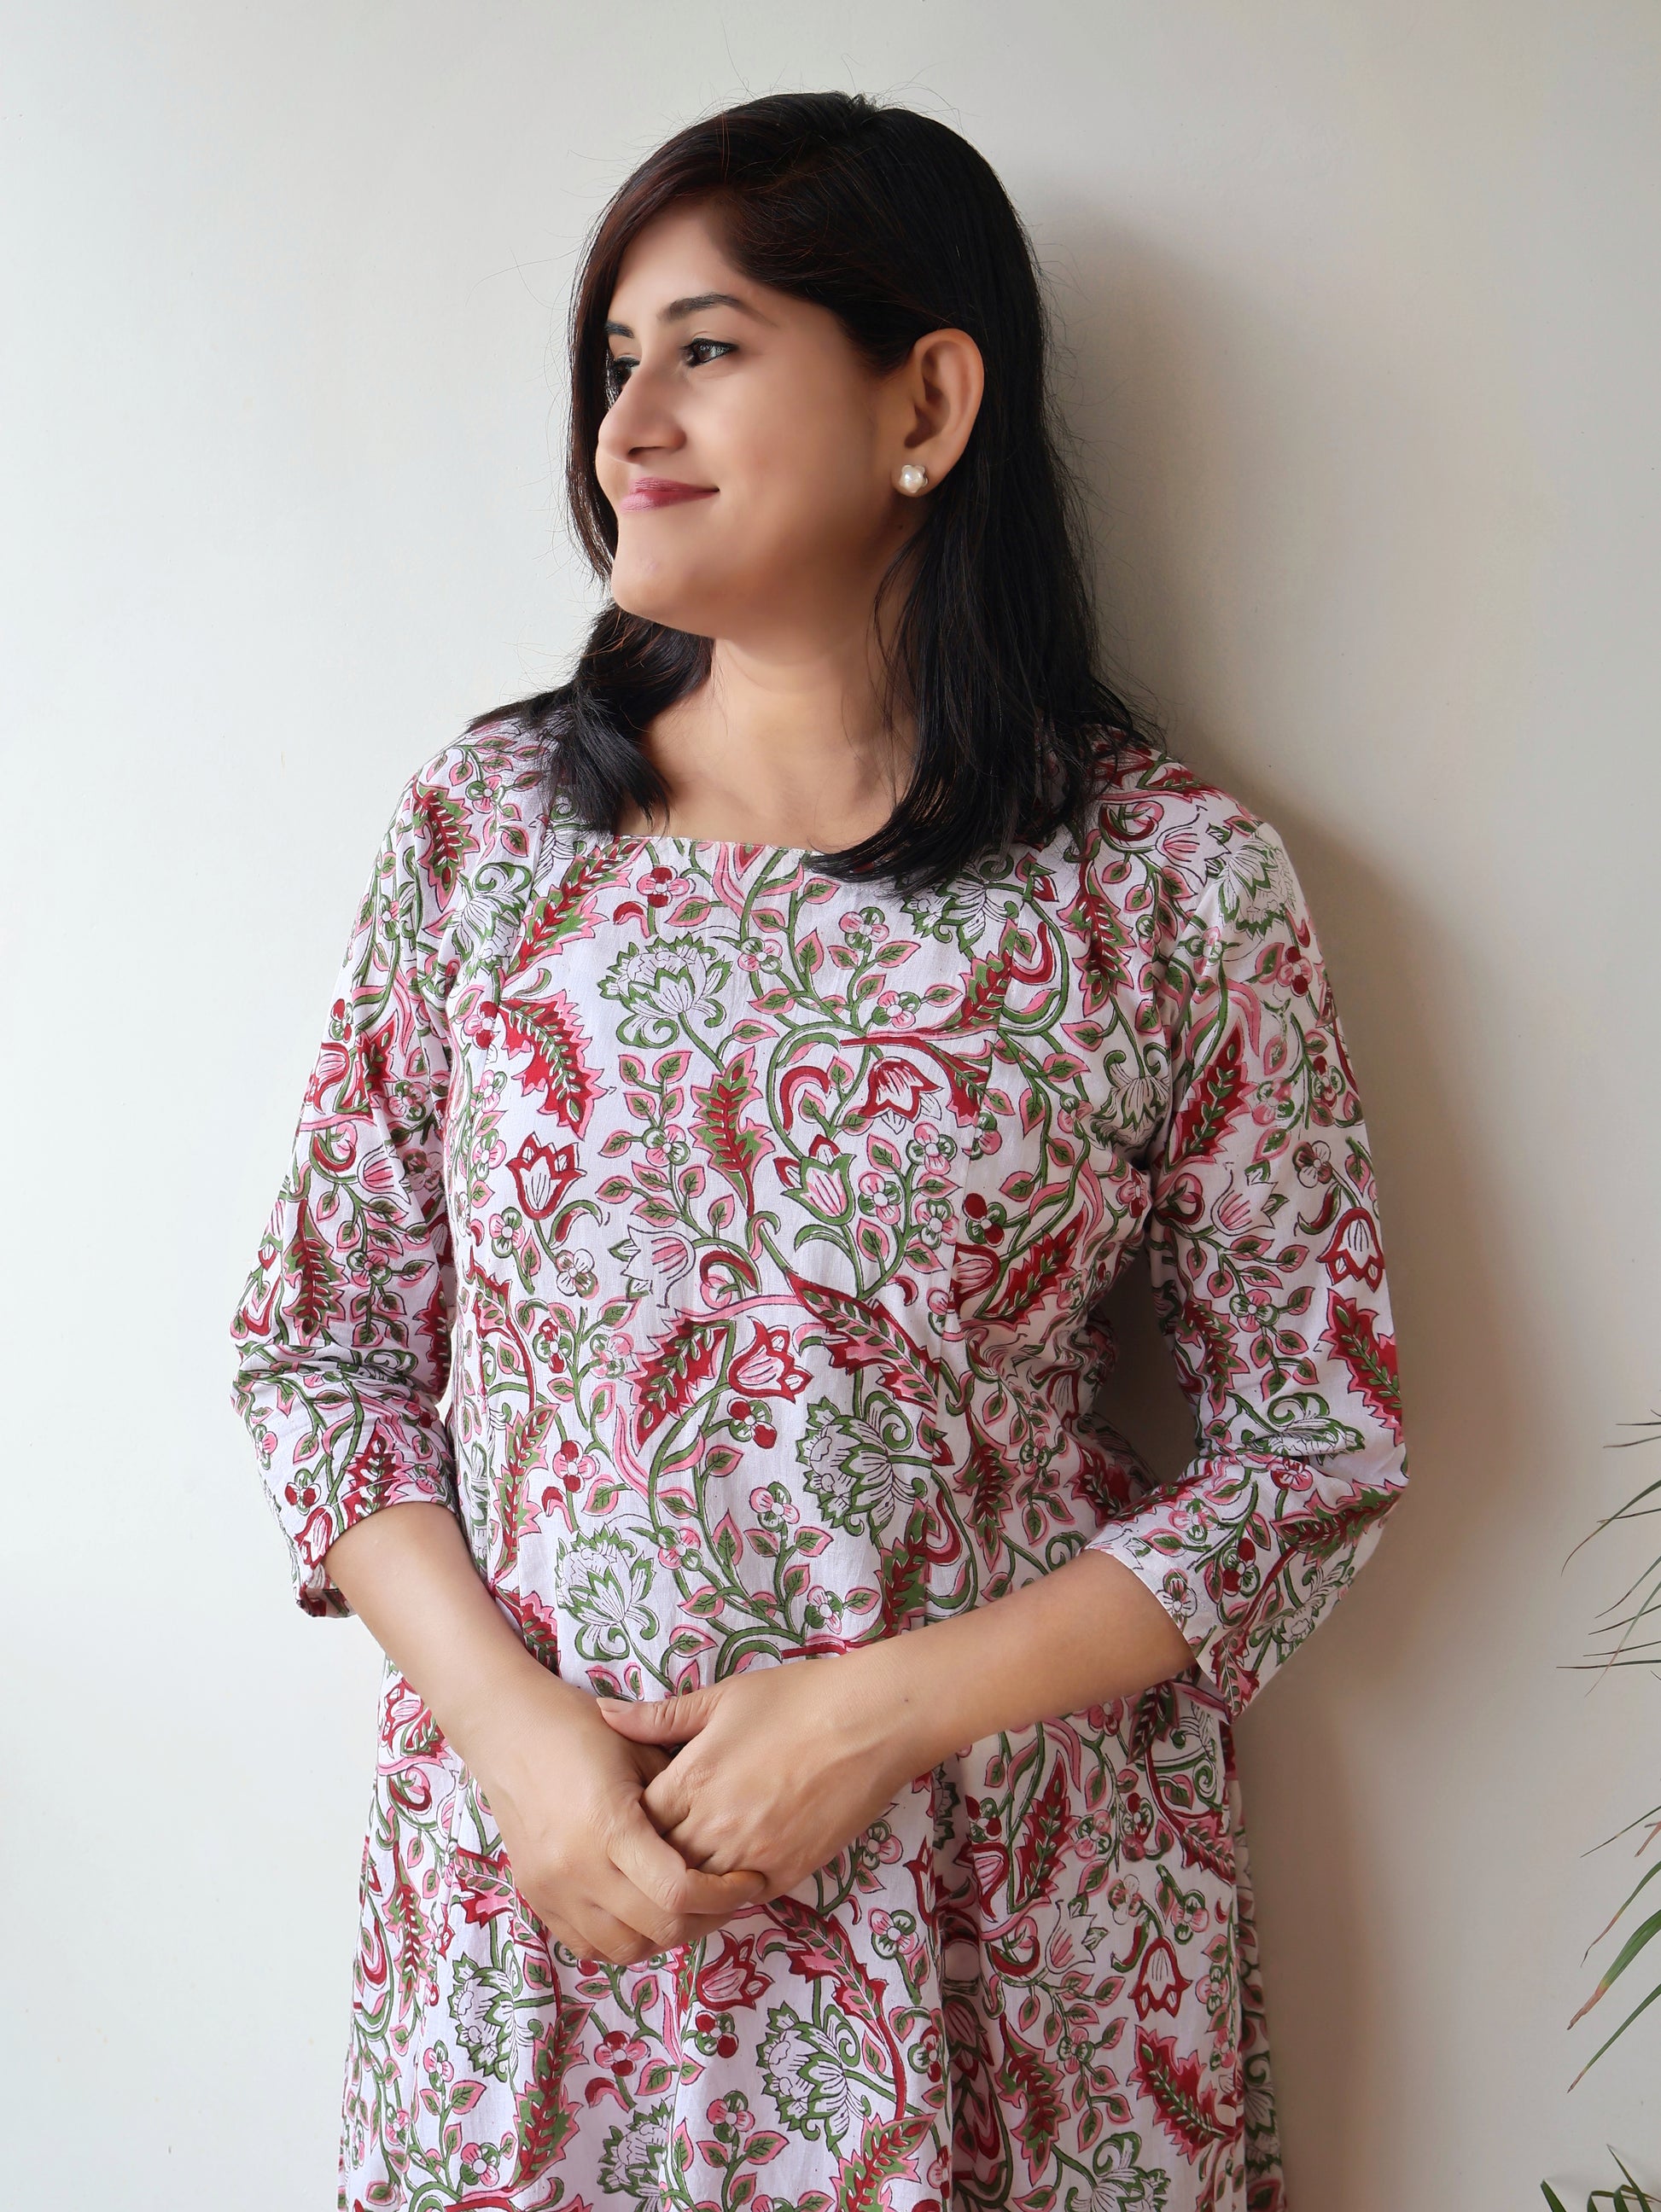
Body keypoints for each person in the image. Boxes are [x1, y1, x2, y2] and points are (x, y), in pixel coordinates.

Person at [228, 89, 1408, 2212]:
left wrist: (885, 1712)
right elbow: (321, 1356)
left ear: (927, 401)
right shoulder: (484, 840)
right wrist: (517, 1743)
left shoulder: (1163, 887)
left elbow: (1316, 1451)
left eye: (705, 346)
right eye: (610, 364)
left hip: (1001, 1930)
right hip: (544, 1923)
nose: (625, 427)